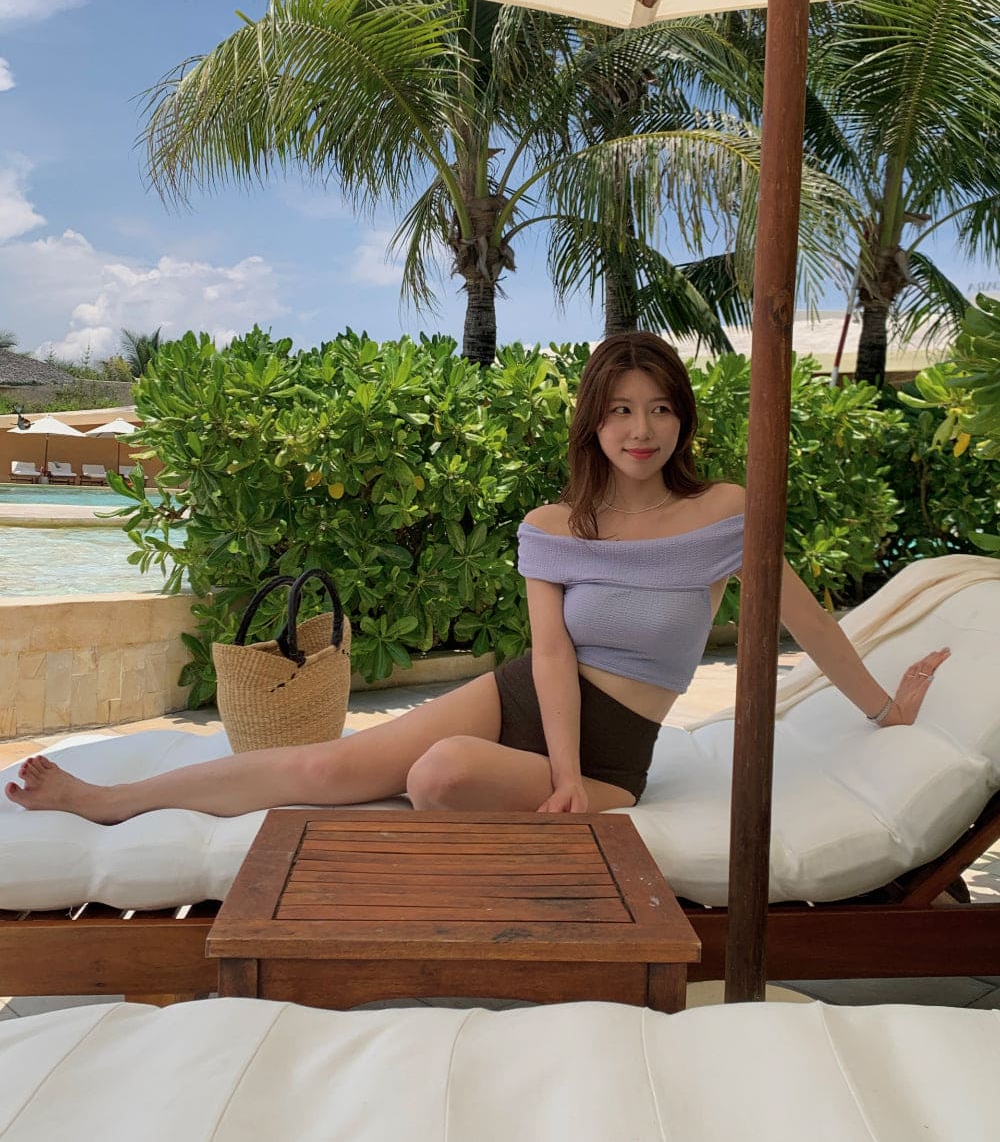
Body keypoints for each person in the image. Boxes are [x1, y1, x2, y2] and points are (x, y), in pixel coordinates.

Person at [6, 332, 948, 824]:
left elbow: (808, 621)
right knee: (325, 766)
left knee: (438, 775)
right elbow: (550, 653)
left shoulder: (724, 515)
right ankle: (110, 800)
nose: (642, 429)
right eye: (622, 409)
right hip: (524, 697)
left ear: (682, 420)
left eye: (661, 408)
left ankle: (475, 799)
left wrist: (883, 706)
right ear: (594, 422)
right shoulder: (551, 526)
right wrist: (555, 771)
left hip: (616, 751)